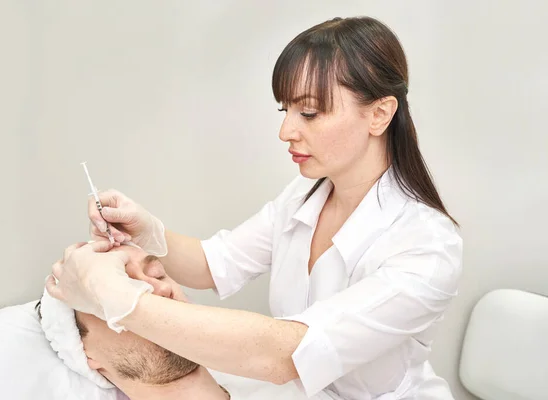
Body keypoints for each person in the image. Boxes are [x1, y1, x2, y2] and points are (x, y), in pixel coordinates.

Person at [46, 16, 463, 399]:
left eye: (310, 112)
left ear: (379, 114)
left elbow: (288, 354)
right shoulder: (302, 200)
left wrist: (114, 297)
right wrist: (147, 231)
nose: (286, 131)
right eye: (286, 110)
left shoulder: (427, 246)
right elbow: (214, 264)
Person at [37, 243, 232, 400]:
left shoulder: (260, 380)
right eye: (116, 296)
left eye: (157, 273)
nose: (160, 289)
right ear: (82, 351)